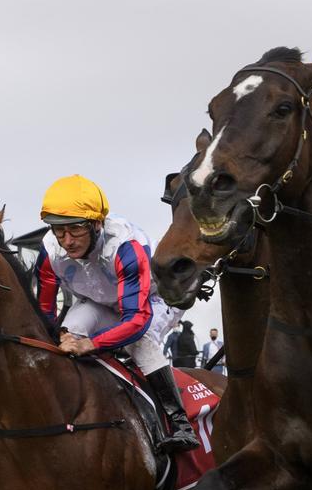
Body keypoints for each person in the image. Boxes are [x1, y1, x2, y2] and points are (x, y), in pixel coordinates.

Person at [34, 174, 199, 453]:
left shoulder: (125, 246)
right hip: (98, 301)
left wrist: (92, 344)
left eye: (75, 230)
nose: (67, 241)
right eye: (58, 231)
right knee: (70, 330)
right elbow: (45, 313)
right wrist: (58, 336)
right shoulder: (50, 250)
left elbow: (135, 319)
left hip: (151, 304)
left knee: (139, 342)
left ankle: (179, 422)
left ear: (97, 224)